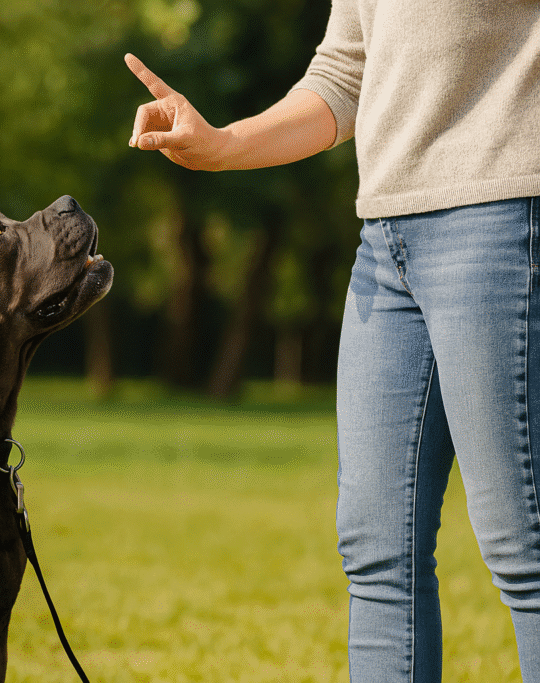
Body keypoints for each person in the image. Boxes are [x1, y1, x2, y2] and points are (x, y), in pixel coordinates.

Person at [125, 0, 540, 679]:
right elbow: (346, 72)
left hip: (500, 213)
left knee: (524, 545)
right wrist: (224, 145)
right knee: (379, 553)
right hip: (386, 238)